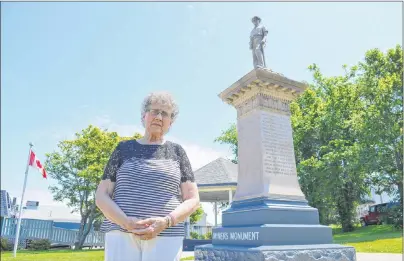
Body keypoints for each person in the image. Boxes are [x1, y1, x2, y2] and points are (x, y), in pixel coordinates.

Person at [96, 91, 200, 261]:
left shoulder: (177, 152)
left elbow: (193, 199)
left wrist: (166, 221)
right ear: (144, 116)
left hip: (166, 235)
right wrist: (125, 222)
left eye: (165, 113)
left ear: (170, 122)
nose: (159, 117)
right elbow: (101, 195)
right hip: (121, 234)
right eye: (154, 111)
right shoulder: (122, 149)